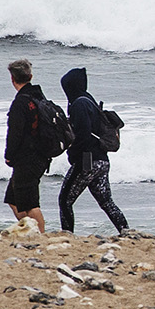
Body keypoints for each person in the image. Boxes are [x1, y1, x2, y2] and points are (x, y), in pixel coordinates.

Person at [58, 67, 130, 236]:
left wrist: (73, 156)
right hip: (102, 160)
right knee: (106, 202)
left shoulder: (79, 104)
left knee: (65, 200)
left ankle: (67, 235)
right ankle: (126, 232)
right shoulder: (89, 100)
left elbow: (82, 136)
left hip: (87, 160)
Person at [5, 59, 55, 232]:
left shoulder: (21, 102)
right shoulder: (39, 96)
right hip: (41, 156)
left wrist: (9, 155)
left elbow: (15, 134)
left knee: (30, 203)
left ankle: (40, 236)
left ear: (12, 79)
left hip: (28, 158)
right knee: (13, 199)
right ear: (30, 76)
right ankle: (31, 230)